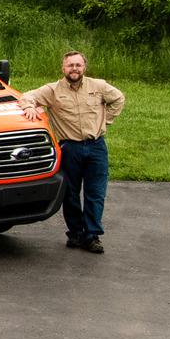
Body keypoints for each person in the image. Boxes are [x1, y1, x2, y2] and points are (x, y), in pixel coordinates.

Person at [22, 51, 126, 253]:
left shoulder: (98, 86)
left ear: (84, 67)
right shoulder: (53, 90)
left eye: (78, 65)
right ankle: (76, 233)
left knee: (95, 193)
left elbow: (119, 98)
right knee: (70, 194)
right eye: (70, 65)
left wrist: (105, 120)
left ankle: (92, 235)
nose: (74, 69)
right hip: (70, 148)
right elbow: (27, 96)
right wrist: (29, 107)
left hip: (96, 147)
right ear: (63, 68)